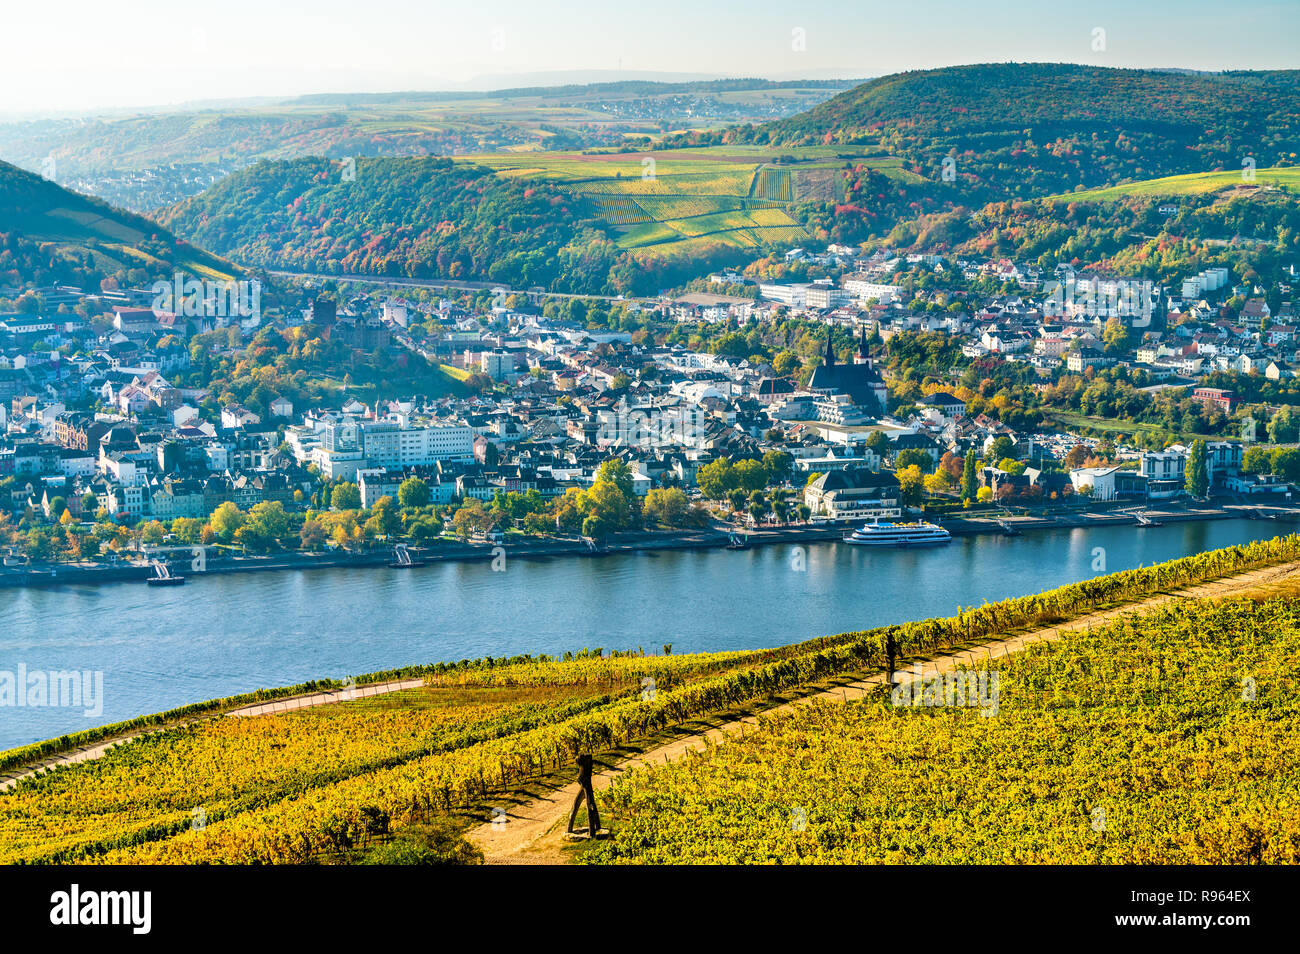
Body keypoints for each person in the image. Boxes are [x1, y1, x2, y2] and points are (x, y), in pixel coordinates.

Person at [567, 753, 601, 836]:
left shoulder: (584, 764)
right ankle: (595, 827)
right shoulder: (586, 764)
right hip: (586, 785)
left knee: (588, 805)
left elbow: (581, 776)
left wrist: (580, 780)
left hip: (586, 785)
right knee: (589, 805)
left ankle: (592, 830)